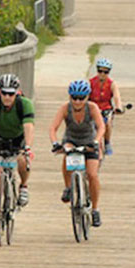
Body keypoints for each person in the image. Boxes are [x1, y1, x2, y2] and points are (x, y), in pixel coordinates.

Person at [0, 73, 35, 234]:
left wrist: (28, 147)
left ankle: (23, 186)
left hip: (18, 139)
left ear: (17, 93)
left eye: (11, 94)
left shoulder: (25, 104)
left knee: (22, 160)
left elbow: (29, 127)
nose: (7, 97)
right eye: (4, 93)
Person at [48, 79, 106, 227]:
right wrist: (55, 143)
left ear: (87, 97)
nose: (77, 102)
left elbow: (101, 127)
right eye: (74, 98)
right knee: (67, 153)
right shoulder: (65, 108)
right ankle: (68, 187)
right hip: (71, 139)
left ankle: (95, 209)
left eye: (81, 98)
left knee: (92, 174)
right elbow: (53, 128)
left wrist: (97, 141)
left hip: (89, 141)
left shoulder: (92, 108)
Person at [88, 57, 124, 156]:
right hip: (93, 108)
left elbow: (117, 97)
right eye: (100, 71)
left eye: (105, 72)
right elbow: (85, 96)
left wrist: (118, 107)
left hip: (106, 108)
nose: (102, 74)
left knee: (107, 123)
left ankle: (107, 142)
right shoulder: (91, 82)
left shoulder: (112, 84)